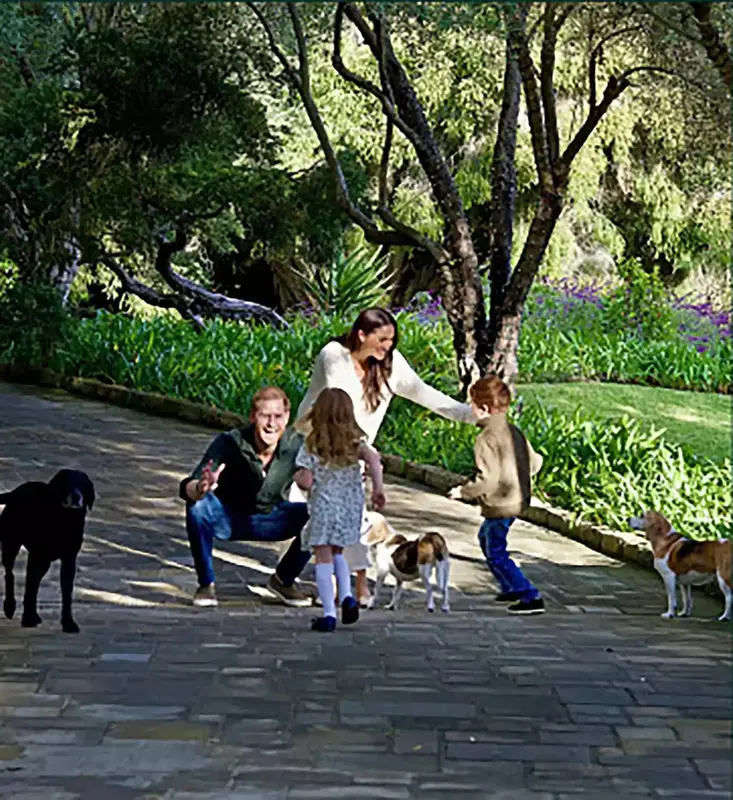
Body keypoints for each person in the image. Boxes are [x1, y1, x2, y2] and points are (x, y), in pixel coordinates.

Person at [295, 307, 474, 606]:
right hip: (319, 445)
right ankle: (325, 585)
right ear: (361, 335)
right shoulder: (334, 355)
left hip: (354, 453)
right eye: (382, 339)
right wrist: (359, 450)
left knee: (352, 520)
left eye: (392, 340)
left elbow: (425, 394)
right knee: (315, 520)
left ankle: (353, 588)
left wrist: (469, 415)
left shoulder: (391, 365)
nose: (388, 346)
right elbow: (341, 408)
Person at [180, 386, 312, 608]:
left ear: (287, 417)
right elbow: (187, 486)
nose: (271, 424)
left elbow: (322, 472)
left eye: (278, 416)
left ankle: (283, 580)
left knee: (320, 514)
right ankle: (206, 584)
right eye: (264, 416)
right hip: (228, 518)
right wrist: (202, 487)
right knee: (198, 507)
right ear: (253, 416)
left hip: (271, 518)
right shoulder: (229, 442)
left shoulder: (296, 445)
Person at [448, 375, 545, 615]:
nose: (470, 408)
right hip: (518, 500)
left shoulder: (485, 439)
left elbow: (487, 480)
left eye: (471, 404)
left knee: (496, 550)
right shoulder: (514, 431)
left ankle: (528, 594)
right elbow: (536, 462)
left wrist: (463, 492)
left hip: (500, 504)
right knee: (487, 538)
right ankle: (509, 586)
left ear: (483, 408)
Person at [293, 388, 386, 632]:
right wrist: (378, 489)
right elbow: (375, 462)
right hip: (350, 507)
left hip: (324, 506)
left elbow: (306, 480)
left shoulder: (312, 445)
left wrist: (298, 476)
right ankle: (346, 596)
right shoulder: (357, 443)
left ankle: (329, 613)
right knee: (338, 552)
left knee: (322, 556)